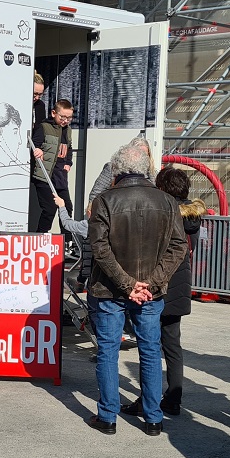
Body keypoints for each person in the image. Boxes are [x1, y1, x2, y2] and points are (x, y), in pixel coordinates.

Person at [85, 142, 187, 436]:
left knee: (107, 351)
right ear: (145, 170)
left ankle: (108, 417)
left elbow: (99, 249)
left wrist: (128, 284)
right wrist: (151, 282)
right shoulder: (166, 201)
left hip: (110, 291)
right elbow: (179, 246)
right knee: (150, 351)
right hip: (150, 293)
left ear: (117, 170)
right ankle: (153, 418)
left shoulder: (105, 200)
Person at [121, 167, 207, 417]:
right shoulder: (193, 217)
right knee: (172, 345)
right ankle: (173, 398)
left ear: (162, 188)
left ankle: (146, 400)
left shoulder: (164, 213)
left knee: (148, 347)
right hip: (180, 284)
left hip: (157, 283)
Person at [31, 100, 74, 232]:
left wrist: (68, 163)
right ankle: (41, 236)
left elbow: (69, 148)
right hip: (45, 175)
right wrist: (37, 150)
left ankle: (67, 240)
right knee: (49, 208)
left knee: (67, 207)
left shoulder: (67, 130)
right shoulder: (44, 127)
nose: (65, 121)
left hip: (60, 175)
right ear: (54, 113)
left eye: (69, 118)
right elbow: (34, 144)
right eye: (62, 117)